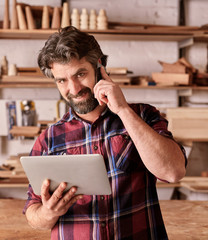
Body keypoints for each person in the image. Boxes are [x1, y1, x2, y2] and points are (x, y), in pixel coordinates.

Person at [23, 26, 187, 239]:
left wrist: (122, 110)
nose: (73, 89)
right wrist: (47, 213)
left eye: (80, 74)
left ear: (100, 68)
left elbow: (173, 172)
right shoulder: (49, 139)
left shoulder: (143, 116)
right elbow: (32, 212)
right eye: (62, 80)